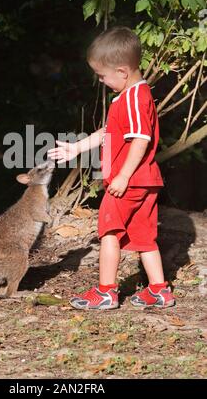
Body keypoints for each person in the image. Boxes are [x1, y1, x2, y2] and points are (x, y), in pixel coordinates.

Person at [47, 26, 175, 310]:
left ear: (122, 71)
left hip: (129, 181)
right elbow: (109, 132)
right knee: (144, 237)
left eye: (103, 75)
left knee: (109, 232)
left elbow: (141, 140)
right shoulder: (132, 96)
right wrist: (76, 148)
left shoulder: (132, 99)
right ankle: (159, 290)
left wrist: (123, 176)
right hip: (146, 181)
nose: (101, 80)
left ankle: (106, 292)